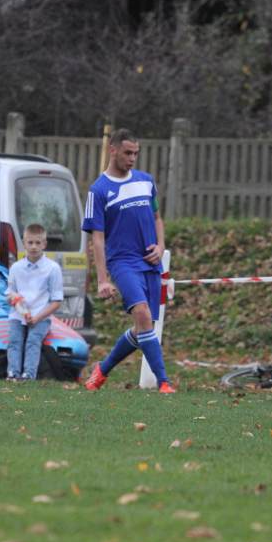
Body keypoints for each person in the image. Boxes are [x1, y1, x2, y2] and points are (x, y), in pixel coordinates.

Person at [81, 128, 175, 393]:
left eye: (136, 153)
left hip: (150, 263)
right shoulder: (98, 191)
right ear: (112, 150)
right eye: (127, 153)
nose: (132, 158)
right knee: (143, 315)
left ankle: (102, 370)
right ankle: (164, 382)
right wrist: (102, 280)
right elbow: (97, 239)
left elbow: (158, 219)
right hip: (122, 262)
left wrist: (161, 245)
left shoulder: (146, 181)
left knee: (142, 327)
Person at [5, 223, 63, 380]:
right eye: (30, 242)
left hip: (41, 315)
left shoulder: (52, 268)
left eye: (38, 243)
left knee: (32, 341)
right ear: (24, 243)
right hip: (18, 314)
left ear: (44, 244)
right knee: (14, 341)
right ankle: (12, 374)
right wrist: (19, 307)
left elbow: (56, 301)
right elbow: (10, 293)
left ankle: (28, 375)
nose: (34, 247)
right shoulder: (16, 268)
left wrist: (37, 318)